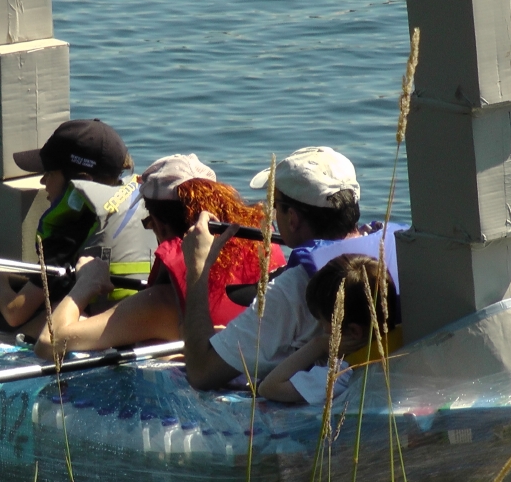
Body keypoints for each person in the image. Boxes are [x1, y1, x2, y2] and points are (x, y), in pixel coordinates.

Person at [181, 146, 402, 391]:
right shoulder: (398, 250)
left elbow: (201, 372)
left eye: (275, 206)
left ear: (293, 218)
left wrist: (197, 269)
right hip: (395, 383)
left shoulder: (292, 287)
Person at [33, 153, 283, 359]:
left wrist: (86, 283)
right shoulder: (263, 252)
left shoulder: (160, 305)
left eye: (149, 223)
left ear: (161, 225)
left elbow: (49, 343)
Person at [0, 119, 155, 336]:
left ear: (83, 181)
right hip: (145, 317)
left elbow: (15, 312)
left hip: (107, 332)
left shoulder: (70, 232)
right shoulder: (144, 206)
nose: (43, 181)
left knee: (33, 322)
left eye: (49, 173)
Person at [258, 254, 399, 405]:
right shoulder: (405, 338)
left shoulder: (344, 374)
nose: (322, 328)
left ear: (354, 331)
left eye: (322, 322)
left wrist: (319, 344)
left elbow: (268, 387)